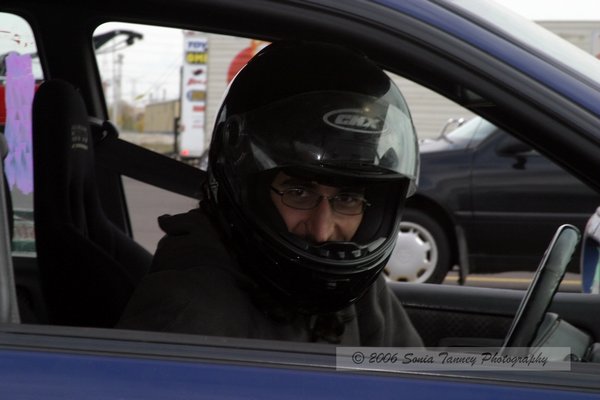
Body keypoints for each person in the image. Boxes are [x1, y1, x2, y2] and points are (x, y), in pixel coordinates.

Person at [118, 41, 423, 346]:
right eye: (299, 193)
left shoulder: (355, 286)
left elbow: (409, 369)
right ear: (249, 191)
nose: (322, 232)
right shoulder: (189, 313)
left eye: (347, 199)